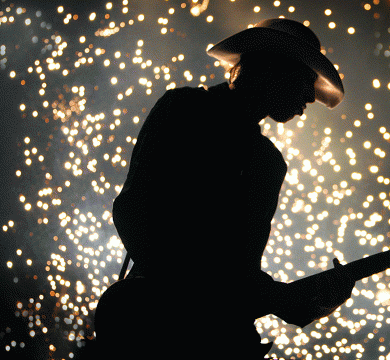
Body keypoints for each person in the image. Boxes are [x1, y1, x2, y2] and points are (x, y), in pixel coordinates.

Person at [94, 18, 355, 359]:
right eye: (305, 81)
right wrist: (201, 298)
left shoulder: (267, 163)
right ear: (272, 68)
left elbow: (240, 272)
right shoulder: (185, 111)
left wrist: (314, 303)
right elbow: (133, 211)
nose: (309, 97)